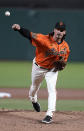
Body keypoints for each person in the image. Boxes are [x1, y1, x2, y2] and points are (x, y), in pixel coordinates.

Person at [12, 21, 70, 124]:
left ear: (64, 32)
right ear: (54, 30)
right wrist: (19, 29)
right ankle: (33, 100)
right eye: (58, 29)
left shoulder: (66, 47)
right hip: (38, 67)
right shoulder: (43, 39)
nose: (59, 32)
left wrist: (61, 66)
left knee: (52, 90)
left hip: (52, 70)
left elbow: (63, 61)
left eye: (62, 30)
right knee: (34, 87)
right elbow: (29, 35)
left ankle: (49, 114)